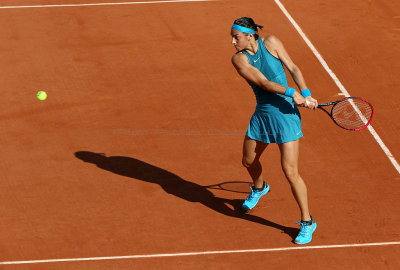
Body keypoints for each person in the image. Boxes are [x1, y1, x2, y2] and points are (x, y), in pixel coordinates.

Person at [230, 17, 318, 244]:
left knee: (290, 172)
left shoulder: (272, 42)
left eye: (236, 36)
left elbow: (293, 67)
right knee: (248, 161)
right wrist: (292, 93)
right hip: (263, 114)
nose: (232, 41)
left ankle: (307, 222)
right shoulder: (239, 60)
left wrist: (306, 93)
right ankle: (259, 187)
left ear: (250, 35)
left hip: (286, 116)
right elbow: (264, 83)